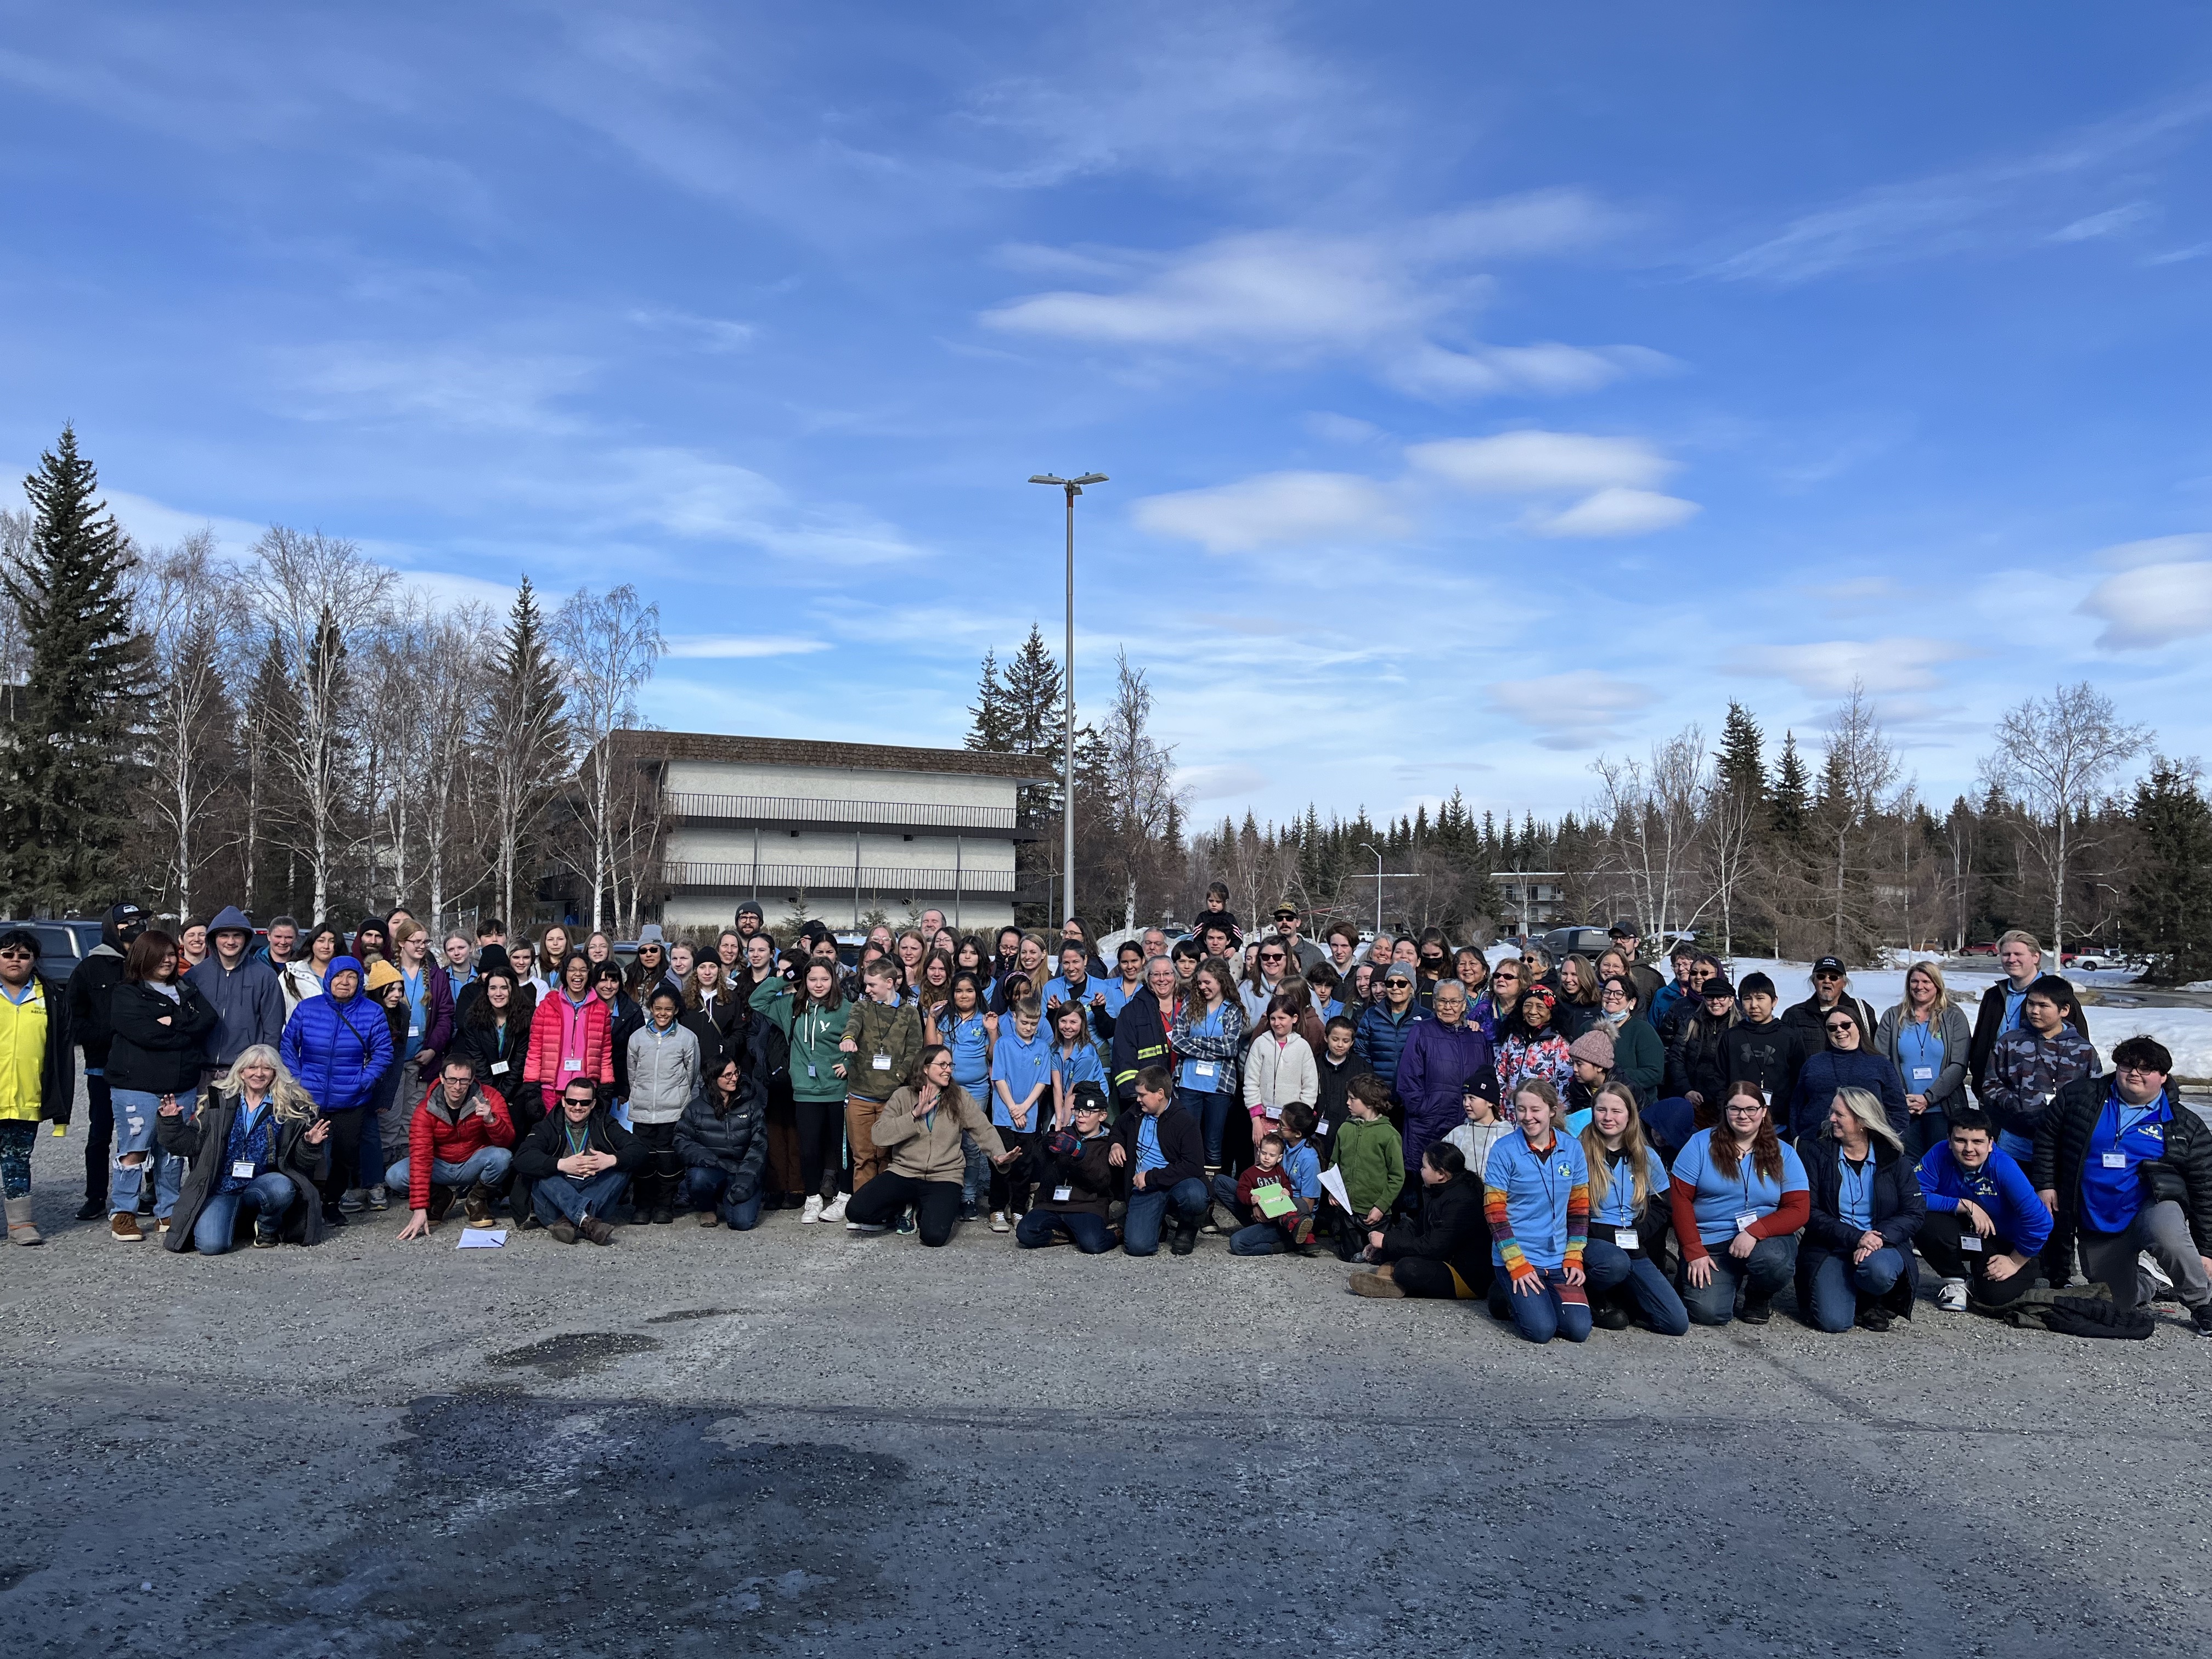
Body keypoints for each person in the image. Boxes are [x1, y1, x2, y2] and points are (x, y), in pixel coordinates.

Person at [2034, 1035, 2212, 1331]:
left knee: (2168, 1234)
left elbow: (2205, 1188)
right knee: (2116, 1302)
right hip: (2096, 1214)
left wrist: (2206, 1252)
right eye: (2127, 1065)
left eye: (2146, 1069)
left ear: (2163, 1076)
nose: (2134, 1073)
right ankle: (2149, 1284)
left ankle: (2202, 1304)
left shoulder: (2184, 1124)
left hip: (2150, 1205)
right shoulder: (2080, 1097)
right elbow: (2047, 1138)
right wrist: (2045, 1184)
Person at [154, 1043, 331, 1253]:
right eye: (252, 1067)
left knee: (281, 1187)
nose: (259, 1073)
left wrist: (309, 1145)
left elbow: (300, 1165)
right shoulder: (218, 1099)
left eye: (266, 1068)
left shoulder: (291, 1106)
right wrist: (171, 1122)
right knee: (211, 1247)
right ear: (241, 1071)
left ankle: (267, 1225)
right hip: (222, 1184)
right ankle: (239, 1222)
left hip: (264, 1182)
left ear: (275, 1073)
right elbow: (191, 1145)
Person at [105, 929, 220, 1240]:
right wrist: (184, 1028)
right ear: (144, 957)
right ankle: (124, 1213)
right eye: (161, 955)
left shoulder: (186, 988)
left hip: (181, 1083)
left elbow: (206, 1021)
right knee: (135, 1148)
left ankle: (168, 1210)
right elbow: (143, 1033)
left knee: (173, 1150)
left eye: (172, 954)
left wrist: (173, 1022)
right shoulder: (126, 993)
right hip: (136, 1085)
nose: (169, 960)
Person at [845, 1046, 1016, 1247]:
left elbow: (983, 1129)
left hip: (944, 1176)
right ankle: (904, 1207)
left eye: (950, 1065)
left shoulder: (959, 1097)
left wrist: (999, 1154)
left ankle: (921, 1210)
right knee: (856, 1211)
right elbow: (879, 1135)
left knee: (934, 1237)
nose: (948, 1070)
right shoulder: (902, 1096)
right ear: (925, 1068)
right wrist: (914, 1114)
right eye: (942, 1065)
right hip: (905, 1172)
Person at [1669, 1082, 1808, 1327]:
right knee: (1710, 1314)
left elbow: (1799, 1209)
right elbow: (1680, 1200)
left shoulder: (1784, 1153)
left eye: (1751, 1109)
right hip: (1710, 1241)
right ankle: (1704, 1281)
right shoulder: (1700, 1145)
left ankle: (1758, 1296)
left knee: (1775, 1262)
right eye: (1735, 1109)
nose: (1743, 1116)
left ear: (1763, 1111)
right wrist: (1693, 1250)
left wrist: (1755, 1232)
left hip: (1763, 1240)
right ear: (1726, 1111)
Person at [1796, 1086, 1925, 1333]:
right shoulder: (1815, 1150)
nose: (1831, 1119)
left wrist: (1877, 1238)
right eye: (1832, 1112)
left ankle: (1871, 1301)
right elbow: (1810, 1212)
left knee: (1878, 1271)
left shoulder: (1893, 1156)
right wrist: (1857, 1238)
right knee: (1833, 1323)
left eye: (1840, 1115)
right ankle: (1849, 1296)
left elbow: (1914, 1211)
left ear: (1863, 1121)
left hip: (1881, 1244)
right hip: (1831, 1245)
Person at [281, 954, 394, 1226]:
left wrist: (363, 1080)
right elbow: (287, 1045)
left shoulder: (372, 1012)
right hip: (309, 1098)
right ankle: (302, 1203)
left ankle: (332, 1203)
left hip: (351, 1098)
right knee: (302, 1153)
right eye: (339, 976)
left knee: (345, 1156)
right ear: (328, 979)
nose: (344, 982)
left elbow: (383, 1052)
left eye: (352, 977)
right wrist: (298, 1080)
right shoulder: (307, 1009)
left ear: (359, 982)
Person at [1476, 1081, 1592, 1344]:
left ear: (1552, 1110)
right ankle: (1504, 1292)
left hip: (1558, 1256)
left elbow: (1579, 1208)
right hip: (1518, 1256)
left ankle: (1531, 1300)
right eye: (1521, 1109)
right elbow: (1494, 1212)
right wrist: (1516, 1264)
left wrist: (1574, 1256)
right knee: (1541, 1331)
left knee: (1578, 1330)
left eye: (1535, 1110)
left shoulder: (1572, 1149)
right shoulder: (1504, 1150)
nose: (1527, 1117)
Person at [1915, 1107, 2050, 1311]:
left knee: (1994, 1297)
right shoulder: (1939, 1154)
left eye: (1978, 1142)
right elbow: (1912, 1196)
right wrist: (1963, 1205)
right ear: (1950, 1142)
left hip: (2009, 1243)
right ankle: (1956, 1281)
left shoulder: (2003, 1167)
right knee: (1921, 1220)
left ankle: (2026, 1269)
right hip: (1975, 1234)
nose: (1969, 1149)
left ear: (1990, 1144)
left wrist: (2015, 1261)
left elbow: (2041, 1220)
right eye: (1961, 1141)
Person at [1578, 1081, 1687, 1334]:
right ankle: (1590, 1297)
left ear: (1630, 1114)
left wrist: (1638, 1234)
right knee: (1614, 1263)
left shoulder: (1647, 1156)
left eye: (1616, 1111)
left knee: (1676, 1322)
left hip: (1632, 1241)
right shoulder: (1577, 1152)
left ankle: (1625, 1299)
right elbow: (1565, 1207)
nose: (1608, 1118)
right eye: (1601, 1110)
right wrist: (1605, 1235)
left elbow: (1662, 1206)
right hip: (1591, 1239)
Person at [67, 901, 149, 1221]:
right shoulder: (90, 968)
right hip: (102, 1066)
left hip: (144, 1066)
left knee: (144, 1135)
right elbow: (75, 1018)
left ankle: (145, 1193)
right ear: (112, 927)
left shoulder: (148, 964)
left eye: (139, 920)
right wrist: (110, 1034)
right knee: (100, 1134)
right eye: (127, 922)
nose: (135, 926)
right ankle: (95, 1196)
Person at [749, 958, 848, 1222]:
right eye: (812, 979)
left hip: (837, 1089)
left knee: (841, 1149)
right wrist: (784, 979)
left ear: (834, 980)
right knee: (809, 1148)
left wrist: (848, 1063)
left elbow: (862, 1040)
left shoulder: (846, 1009)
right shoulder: (792, 1006)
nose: (818, 985)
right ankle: (813, 1198)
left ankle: (844, 1196)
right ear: (804, 981)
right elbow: (757, 1001)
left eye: (825, 979)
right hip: (805, 1089)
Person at [391, 1056, 517, 1238]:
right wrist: (420, 1208)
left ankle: (477, 1199)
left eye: (464, 1080)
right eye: (452, 1080)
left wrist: (491, 1120)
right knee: (395, 1176)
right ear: (442, 1078)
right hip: (440, 1165)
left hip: (474, 1162)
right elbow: (421, 1157)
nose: (457, 1087)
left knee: (503, 1157)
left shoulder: (489, 1097)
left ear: (472, 1079)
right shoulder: (425, 1109)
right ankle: (441, 1197)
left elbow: (507, 1142)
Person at [0, 928, 72, 1244]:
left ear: (34, 960)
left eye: (23, 955)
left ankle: (20, 1224)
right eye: (8, 954)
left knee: (17, 1160)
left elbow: (61, 1053)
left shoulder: (51, 997)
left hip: (26, 1097)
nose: (16, 961)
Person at [1983, 975, 2100, 1166]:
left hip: (2063, 1143)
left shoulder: (2084, 1050)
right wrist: (2018, 1108)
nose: (2034, 1011)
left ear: (2064, 1010)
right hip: (2016, 1139)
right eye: (2030, 1004)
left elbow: (2095, 1094)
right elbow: (1991, 1084)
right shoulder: (2010, 1042)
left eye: (2043, 1006)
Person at [1347, 1142, 1489, 1300]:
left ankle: (1394, 1280)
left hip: (1464, 1276)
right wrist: (1385, 1241)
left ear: (1441, 1174)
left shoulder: (1462, 1201)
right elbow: (1417, 1227)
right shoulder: (1439, 1191)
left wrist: (1387, 1243)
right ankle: (1389, 1280)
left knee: (1407, 1268)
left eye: (1424, 1167)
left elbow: (1434, 1247)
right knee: (1401, 1236)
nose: (1420, 1170)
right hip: (1443, 1258)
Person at [514, 1074, 640, 1244]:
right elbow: (521, 1158)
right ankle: (587, 1222)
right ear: (564, 1101)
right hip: (555, 1202)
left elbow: (639, 1150)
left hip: (593, 1193)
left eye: (585, 1102)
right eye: (572, 1101)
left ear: (593, 1104)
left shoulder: (605, 1124)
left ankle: (571, 1220)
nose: (578, 1107)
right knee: (545, 1172)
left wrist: (612, 1160)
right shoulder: (548, 1126)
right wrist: (562, 1164)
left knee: (621, 1169)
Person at [842, 958, 923, 1218]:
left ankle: (889, 1210)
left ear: (890, 983)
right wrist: (848, 1039)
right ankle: (864, 1211)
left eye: (872, 985)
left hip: (893, 1100)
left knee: (889, 1159)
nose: (867, 989)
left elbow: (915, 1051)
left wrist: (898, 1076)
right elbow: (851, 1027)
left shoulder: (910, 1013)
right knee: (863, 1158)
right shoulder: (861, 1008)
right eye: (866, 984)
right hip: (861, 1097)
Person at [1391, 977, 1493, 1178]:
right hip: (1428, 1123)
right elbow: (1408, 1078)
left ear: (1464, 1004)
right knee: (1426, 1183)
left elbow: (1488, 1078)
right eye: (1442, 1001)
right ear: (1434, 1003)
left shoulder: (1477, 1037)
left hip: (1466, 1124)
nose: (1448, 1007)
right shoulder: (1421, 1031)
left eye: (1454, 1002)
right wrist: (1423, 1109)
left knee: (1462, 1181)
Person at [1969, 929, 2087, 1099]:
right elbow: (1981, 1042)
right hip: (1995, 1094)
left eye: (2018, 954)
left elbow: (2080, 1046)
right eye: (2006, 954)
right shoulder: (1993, 996)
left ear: (2036, 957)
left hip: (2038, 1098)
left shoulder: (2057, 996)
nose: (2011, 959)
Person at [1875, 961, 1972, 1160]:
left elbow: (1959, 1065)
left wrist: (1928, 1098)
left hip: (1942, 1109)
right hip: (1903, 1109)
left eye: (1926, 981)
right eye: (1915, 981)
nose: (1920, 987)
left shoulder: (1954, 1017)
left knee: (1942, 1164)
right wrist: (1900, 1097)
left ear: (1937, 984)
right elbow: (1881, 1061)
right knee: (1907, 1167)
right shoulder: (1893, 1017)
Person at [1110, 1066, 1209, 1256]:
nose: (1138, 1099)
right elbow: (1118, 1127)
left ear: (1160, 1094)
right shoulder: (1137, 1112)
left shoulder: (1184, 1121)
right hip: (1145, 1189)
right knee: (1138, 1247)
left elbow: (1194, 1166)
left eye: (1142, 1095)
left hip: (1174, 1184)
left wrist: (1152, 1177)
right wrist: (1116, 1144)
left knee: (1195, 1196)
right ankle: (1158, 1222)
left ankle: (1188, 1227)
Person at [626, 984, 703, 1225]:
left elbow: (692, 1074)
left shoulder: (687, 1038)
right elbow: (632, 1072)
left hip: (673, 1111)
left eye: (668, 1009)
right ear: (650, 1009)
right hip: (642, 1111)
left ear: (676, 1010)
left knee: (668, 1161)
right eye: (658, 1008)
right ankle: (643, 1204)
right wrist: (641, 1095)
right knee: (644, 1159)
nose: (663, 1013)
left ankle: (664, 1205)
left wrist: (680, 1099)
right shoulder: (637, 1038)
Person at [188, 906, 285, 1084]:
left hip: (245, 1071)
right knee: (209, 1111)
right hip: (201, 1069)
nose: (230, 941)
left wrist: (264, 1067)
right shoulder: (195, 975)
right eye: (224, 936)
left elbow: (273, 1027)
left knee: (238, 1113)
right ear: (214, 939)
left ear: (246, 939)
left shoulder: (265, 976)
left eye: (237, 936)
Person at [1016, 1086, 1118, 1252]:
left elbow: (1101, 1180)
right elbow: (1039, 1166)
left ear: (1102, 1116)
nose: (1080, 1116)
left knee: (1093, 1244)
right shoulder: (1066, 1134)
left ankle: (1117, 1231)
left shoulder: (1109, 1143)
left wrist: (1080, 1155)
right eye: (1077, 1110)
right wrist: (1044, 1147)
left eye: (1088, 1112)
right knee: (1025, 1233)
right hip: (1053, 1203)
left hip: (1086, 1205)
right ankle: (1072, 1236)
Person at [1787, 1005, 1908, 1144]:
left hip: (1868, 1146)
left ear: (1858, 1026)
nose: (1839, 1030)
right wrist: (1797, 1139)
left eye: (1845, 1025)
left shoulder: (1880, 1064)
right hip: (1815, 1144)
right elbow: (1796, 1106)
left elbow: (1898, 1109)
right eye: (1832, 1027)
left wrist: (1889, 1143)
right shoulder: (1813, 1063)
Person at [676, 1054, 768, 1231]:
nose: (735, 1078)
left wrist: (744, 1183)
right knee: (697, 1178)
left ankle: (732, 1199)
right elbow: (681, 1140)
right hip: (713, 1169)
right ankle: (707, 1207)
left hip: (743, 1171)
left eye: (736, 1073)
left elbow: (759, 1148)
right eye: (728, 1075)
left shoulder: (751, 1105)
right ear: (713, 1078)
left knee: (741, 1223)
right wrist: (706, 1158)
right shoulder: (696, 1108)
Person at [986, 997, 1054, 1229]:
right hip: (1005, 1115)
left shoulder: (1043, 1048)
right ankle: (996, 1209)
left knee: (1024, 1165)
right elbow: (999, 1078)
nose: (1029, 1028)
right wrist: (1014, 1108)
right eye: (1025, 1022)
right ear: (1015, 1017)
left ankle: (1018, 1209)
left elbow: (1042, 1082)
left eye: (1034, 1024)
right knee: (1002, 1163)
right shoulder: (1004, 1044)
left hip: (1029, 1115)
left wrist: (1024, 1107)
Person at [1172, 957, 1244, 1172]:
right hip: (1189, 1084)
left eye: (1207, 982)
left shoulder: (1233, 1010)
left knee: (1213, 1143)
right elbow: (1177, 1041)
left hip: (1219, 1087)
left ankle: (1210, 1189)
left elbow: (1230, 1047)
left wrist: (1194, 1043)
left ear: (1221, 980)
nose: (1203, 987)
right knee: (1187, 1138)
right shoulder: (1190, 1004)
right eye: (1200, 983)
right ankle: (1187, 1179)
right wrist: (1213, 1048)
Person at [450, 966, 536, 1132]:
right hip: (485, 1084)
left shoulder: (527, 1016)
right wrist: (492, 1094)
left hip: (517, 1086)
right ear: (487, 991)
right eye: (493, 988)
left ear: (513, 990)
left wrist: (503, 1095)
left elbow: (520, 1062)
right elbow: (477, 1059)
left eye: (504, 988)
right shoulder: (473, 1018)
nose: (499, 993)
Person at [1328, 1074, 1403, 1257]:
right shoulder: (1345, 1129)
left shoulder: (1389, 1134)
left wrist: (1381, 1206)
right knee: (1350, 1258)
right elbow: (1334, 1163)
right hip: (1348, 1212)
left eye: (1353, 1099)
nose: (1348, 1103)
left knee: (1376, 1260)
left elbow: (1397, 1176)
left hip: (1375, 1214)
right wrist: (1333, 1190)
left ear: (1369, 1102)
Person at [1718, 973, 1805, 1131]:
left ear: (1774, 1001)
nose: (1754, 1005)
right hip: (1738, 1121)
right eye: (1747, 999)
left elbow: (1798, 1082)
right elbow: (1719, 1080)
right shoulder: (1731, 1037)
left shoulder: (1789, 1037)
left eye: (1760, 998)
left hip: (1778, 1123)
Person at [1242, 990, 1319, 1155]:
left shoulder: (1303, 1047)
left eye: (1282, 1018)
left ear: (1295, 1019)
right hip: (1264, 1120)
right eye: (1273, 1018)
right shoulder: (1260, 1044)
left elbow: (1311, 1086)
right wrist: (1256, 1120)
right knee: (1265, 1163)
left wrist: (1300, 1119)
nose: (1277, 1023)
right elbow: (1251, 1082)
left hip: (1293, 1124)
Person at [1109, 955, 1177, 1111]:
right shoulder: (1131, 1012)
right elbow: (1124, 1057)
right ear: (1147, 977)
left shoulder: (1189, 1006)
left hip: (1185, 1092)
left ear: (1175, 976)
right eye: (1156, 974)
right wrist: (1136, 1096)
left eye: (1167, 973)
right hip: (1149, 1096)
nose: (1162, 979)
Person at [1352, 963, 1427, 1108]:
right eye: (1390, 983)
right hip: (1377, 1095)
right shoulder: (1372, 1015)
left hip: (1412, 1095)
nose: (1395, 988)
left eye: (1402, 983)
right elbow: (1361, 1052)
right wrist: (1373, 1084)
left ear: (1412, 987)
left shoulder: (1426, 1017)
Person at [1662, 976, 1738, 1111]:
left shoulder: (1739, 1028)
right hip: (1694, 1100)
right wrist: (1687, 1090)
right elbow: (1676, 1058)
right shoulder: (1691, 1024)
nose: (1715, 1002)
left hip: (1727, 1102)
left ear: (1731, 1000)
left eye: (1721, 997)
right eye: (1710, 997)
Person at [1592, 975, 1663, 1104]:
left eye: (1619, 993)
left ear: (1632, 1002)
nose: (1611, 997)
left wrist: (1613, 1077)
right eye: (1607, 992)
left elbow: (1654, 1073)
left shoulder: (1643, 1031)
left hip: (1635, 1104)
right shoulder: (1588, 1028)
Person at [1495, 983, 1572, 1101]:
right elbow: (1499, 1073)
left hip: (1541, 1114)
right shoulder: (1514, 1038)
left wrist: (1555, 1115)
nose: (1532, 1012)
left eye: (1540, 1007)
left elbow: (1565, 1087)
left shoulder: (1560, 1044)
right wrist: (1501, 1103)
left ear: (1551, 1012)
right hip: (1510, 1112)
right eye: (1528, 1006)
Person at [1784, 957, 1877, 1041]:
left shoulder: (1861, 1010)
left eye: (1833, 977)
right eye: (1821, 977)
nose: (1827, 981)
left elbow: (1875, 1049)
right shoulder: (1794, 1015)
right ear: (1813, 981)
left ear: (1844, 983)